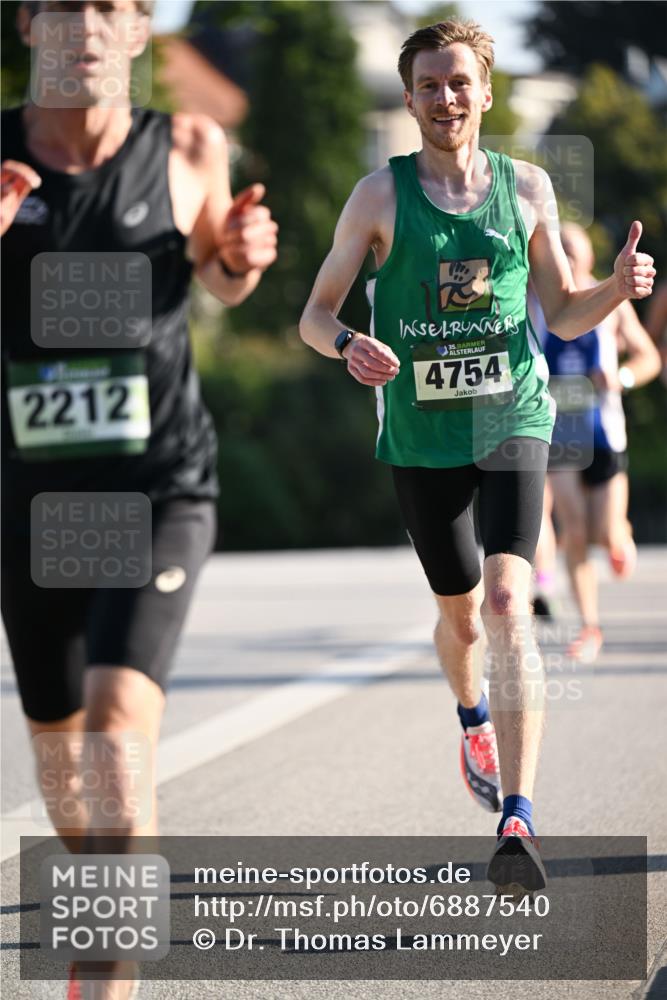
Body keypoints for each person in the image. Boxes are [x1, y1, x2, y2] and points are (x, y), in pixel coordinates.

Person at [299, 18, 655, 891]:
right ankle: (471, 718)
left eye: (459, 83)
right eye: (427, 85)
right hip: (421, 438)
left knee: (505, 600)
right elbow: (313, 313)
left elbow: (563, 313)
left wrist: (612, 289)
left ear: (485, 92)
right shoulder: (377, 197)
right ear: (412, 97)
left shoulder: (527, 188)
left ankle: (518, 816)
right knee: (460, 617)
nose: (444, 98)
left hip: (512, 420)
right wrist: (347, 343)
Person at [1, 1, 277, 996]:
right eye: (64, 6)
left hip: (156, 480)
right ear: (28, 25)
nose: (86, 24)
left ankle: (103, 965)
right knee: (64, 766)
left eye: (111, 7)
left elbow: (217, 270)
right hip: (31, 498)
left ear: (138, 31)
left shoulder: (189, 142)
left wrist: (239, 255)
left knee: (120, 723)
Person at [532, 223, 661, 663]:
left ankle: (620, 538)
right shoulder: (536, 302)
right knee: (575, 530)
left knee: (606, 533)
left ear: (588, 257)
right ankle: (589, 626)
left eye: (573, 250)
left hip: (604, 430)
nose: (565, 257)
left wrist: (621, 378)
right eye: (559, 249)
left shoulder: (611, 300)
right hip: (560, 431)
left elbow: (649, 358)